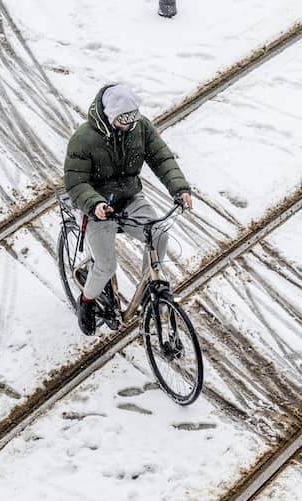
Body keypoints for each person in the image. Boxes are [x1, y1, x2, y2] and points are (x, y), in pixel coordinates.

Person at [64, 83, 193, 335]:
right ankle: (87, 302)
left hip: (130, 199)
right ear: (111, 116)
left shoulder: (140, 128)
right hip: (99, 208)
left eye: (132, 118)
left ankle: (149, 292)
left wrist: (180, 189)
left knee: (158, 234)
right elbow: (75, 182)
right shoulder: (84, 139)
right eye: (124, 120)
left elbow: (161, 158)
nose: (129, 124)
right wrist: (95, 204)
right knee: (105, 265)